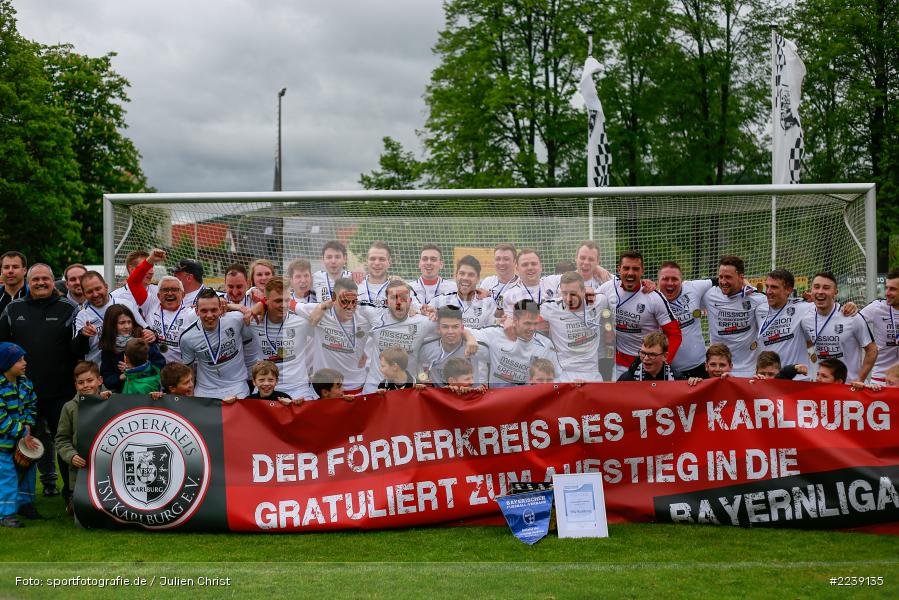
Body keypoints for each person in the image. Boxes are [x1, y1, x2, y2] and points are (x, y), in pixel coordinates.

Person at [0, 264, 88, 502]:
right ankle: (21, 497)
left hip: (60, 391)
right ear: (29, 282)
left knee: (64, 443)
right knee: (24, 444)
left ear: (53, 281)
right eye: (36, 279)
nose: (40, 283)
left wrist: (84, 338)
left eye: (45, 279)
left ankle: (72, 494)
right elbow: (2, 346)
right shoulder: (13, 308)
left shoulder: (69, 308)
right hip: (24, 394)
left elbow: (78, 348)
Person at [599, 251, 682, 379]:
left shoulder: (654, 297)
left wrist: (663, 362)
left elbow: (675, 334)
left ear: (642, 271)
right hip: (619, 363)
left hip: (648, 365)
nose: (631, 273)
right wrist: (587, 292)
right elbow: (588, 300)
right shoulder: (608, 288)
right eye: (626, 268)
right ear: (619, 269)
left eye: (635, 269)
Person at [292, 278, 373, 395]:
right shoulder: (320, 311)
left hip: (355, 388)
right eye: (344, 301)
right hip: (324, 390)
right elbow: (288, 303)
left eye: (354, 301)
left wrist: (410, 310)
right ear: (334, 299)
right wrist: (262, 304)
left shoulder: (365, 315)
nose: (350, 307)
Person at [360, 280, 441, 394]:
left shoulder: (423, 322)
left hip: (406, 390)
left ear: (410, 301)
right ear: (386, 302)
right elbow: (346, 303)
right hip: (374, 388)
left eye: (403, 298)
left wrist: (437, 313)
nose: (398, 302)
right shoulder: (376, 317)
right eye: (393, 298)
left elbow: (454, 327)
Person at [178, 288, 257, 399]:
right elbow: (189, 368)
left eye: (214, 310)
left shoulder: (237, 320)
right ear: (196, 311)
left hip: (237, 387)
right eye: (204, 311)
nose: (209, 315)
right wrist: (190, 394)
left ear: (221, 309)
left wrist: (234, 306)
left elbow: (253, 316)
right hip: (205, 390)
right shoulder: (187, 337)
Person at [55, 361, 111, 516]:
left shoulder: (114, 401)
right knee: (82, 513)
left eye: (90, 380)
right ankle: (72, 499)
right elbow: (61, 439)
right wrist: (71, 456)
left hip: (108, 468)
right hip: (81, 470)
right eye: (81, 382)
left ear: (99, 381)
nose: (86, 385)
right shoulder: (69, 408)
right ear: (75, 385)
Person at [800, 272, 877, 383]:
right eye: (816, 287)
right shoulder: (805, 319)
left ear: (835, 292)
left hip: (849, 388)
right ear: (811, 291)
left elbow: (872, 350)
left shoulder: (852, 317)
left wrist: (860, 379)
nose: (820, 292)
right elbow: (808, 344)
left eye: (826, 288)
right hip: (821, 386)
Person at [472, 300, 567, 387]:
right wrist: (469, 338)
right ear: (515, 320)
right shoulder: (496, 334)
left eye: (535, 323)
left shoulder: (545, 344)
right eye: (528, 323)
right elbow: (463, 331)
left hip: (527, 402)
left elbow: (557, 377)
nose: (532, 328)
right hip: (498, 401)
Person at [249, 277, 314, 400]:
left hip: (298, 389)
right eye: (278, 301)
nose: (283, 305)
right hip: (265, 388)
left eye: (286, 300)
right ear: (266, 300)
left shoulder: (302, 321)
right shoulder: (254, 321)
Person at [538, 272, 610, 382]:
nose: (568, 298)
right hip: (562, 373)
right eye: (564, 293)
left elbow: (616, 285)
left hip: (591, 372)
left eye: (573, 293)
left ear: (583, 291)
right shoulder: (550, 308)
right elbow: (523, 309)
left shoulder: (598, 302)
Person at [702, 256, 767, 377]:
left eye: (728, 277)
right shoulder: (709, 295)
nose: (723, 281)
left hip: (749, 371)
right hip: (719, 370)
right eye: (720, 277)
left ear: (741, 277)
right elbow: (684, 291)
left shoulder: (757, 299)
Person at [0, 342, 39, 527]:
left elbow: (32, 405)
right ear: (6, 364)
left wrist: (29, 425)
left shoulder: (26, 383)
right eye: (19, 360)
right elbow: (1, 419)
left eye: (24, 359)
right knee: (8, 476)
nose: (24, 363)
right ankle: (6, 514)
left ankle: (26, 504)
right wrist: (22, 431)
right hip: (3, 444)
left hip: (23, 439)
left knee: (29, 471)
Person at [75, 271, 150, 365]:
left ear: (106, 287)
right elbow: (76, 350)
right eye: (89, 291)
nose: (95, 294)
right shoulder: (82, 316)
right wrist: (83, 335)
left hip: (131, 367)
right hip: (98, 370)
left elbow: (144, 330)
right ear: (84, 294)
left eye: (98, 289)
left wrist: (151, 334)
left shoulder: (126, 304)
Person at [657, 261, 714, 378]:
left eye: (674, 279)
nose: (670, 283)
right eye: (665, 279)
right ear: (658, 281)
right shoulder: (652, 298)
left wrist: (745, 283)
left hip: (700, 365)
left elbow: (719, 281)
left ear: (681, 280)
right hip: (669, 370)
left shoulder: (693, 288)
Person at [99, 304, 165, 393]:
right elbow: (107, 381)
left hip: (147, 392)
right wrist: (124, 375)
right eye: (122, 323)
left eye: (129, 322)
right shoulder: (108, 347)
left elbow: (160, 365)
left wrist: (136, 369)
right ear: (111, 325)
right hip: (123, 397)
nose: (127, 326)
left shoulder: (143, 339)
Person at [419, 306, 487, 387]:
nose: (450, 332)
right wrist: (421, 377)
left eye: (455, 327)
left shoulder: (474, 347)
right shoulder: (426, 347)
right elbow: (415, 362)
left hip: (469, 396)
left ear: (462, 328)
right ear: (438, 328)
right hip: (438, 397)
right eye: (445, 327)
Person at [142, 275, 199, 364]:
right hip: (156, 369)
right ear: (158, 295)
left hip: (181, 370)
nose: (169, 293)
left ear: (183, 295)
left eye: (174, 290)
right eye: (165, 290)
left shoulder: (191, 314)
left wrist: (222, 301)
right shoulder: (150, 308)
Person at [430, 255, 498, 329]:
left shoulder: (489, 304)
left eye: (471, 275)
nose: (465, 278)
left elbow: (491, 333)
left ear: (478, 279)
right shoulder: (438, 302)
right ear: (456, 276)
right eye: (462, 273)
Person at [860, 268, 899, 384]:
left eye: (893, 289)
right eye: (886, 288)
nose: (887, 293)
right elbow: (848, 323)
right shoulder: (877, 308)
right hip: (880, 380)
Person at [501, 249, 555, 313]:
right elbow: (510, 321)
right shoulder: (510, 295)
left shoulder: (554, 284)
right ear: (517, 269)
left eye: (534, 264)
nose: (530, 268)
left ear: (541, 267)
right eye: (525, 265)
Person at [618, 332, 686, 381]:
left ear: (665, 356)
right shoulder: (627, 380)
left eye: (652, 355)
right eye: (643, 353)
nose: (646, 358)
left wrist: (694, 383)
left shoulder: (677, 379)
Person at [224, 361, 295, 405]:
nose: (266, 383)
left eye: (270, 380)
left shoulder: (284, 398)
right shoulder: (249, 401)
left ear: (276, 381)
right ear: (254, 382)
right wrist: (228, 404)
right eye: (261, 380)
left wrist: (292, 404)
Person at [111, 250, 156, 315]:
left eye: (152, 267)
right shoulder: (115, 297)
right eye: (146, 268)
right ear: (131, 269)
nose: (151, 272)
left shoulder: (159, 293)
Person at [358, 242, 392, 306]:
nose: (377, 263)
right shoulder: (354, 287)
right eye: (372, 259)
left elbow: (414, 312)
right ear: (366, 261)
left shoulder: (399, 288)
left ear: (389, 262)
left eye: (382, 259)